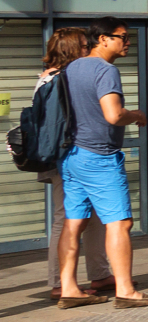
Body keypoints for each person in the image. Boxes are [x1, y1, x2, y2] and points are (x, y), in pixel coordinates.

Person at [54, 17, 148, 308]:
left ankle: (69, 289)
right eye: (122, 37)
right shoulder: (106, 70)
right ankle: (126, 291)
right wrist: (137, 115)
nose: (127, 42)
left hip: (73, 156)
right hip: (99, 157)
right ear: (102, 39)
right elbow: (113, 115)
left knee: (74, 222)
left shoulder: (72, 67)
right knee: (120, 223)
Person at [38, 27, 111, 302]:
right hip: (66, 156)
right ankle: (59, 282)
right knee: (66, 218)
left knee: (92, 218)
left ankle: (100, 273)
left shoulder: (56, 77)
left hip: (71, 155)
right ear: (71, 49)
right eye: (83, 45)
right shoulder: (57, 79)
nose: (88, 49)